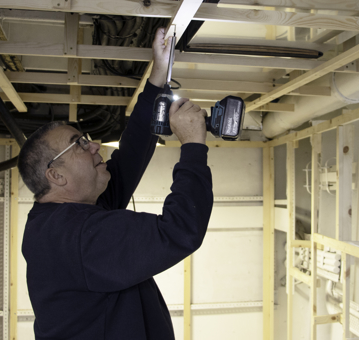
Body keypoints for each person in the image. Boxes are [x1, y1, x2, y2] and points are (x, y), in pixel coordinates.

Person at [17, 28, 213, 340]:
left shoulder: (63, 222)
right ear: (55, 174)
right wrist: (192, 147)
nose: (94, 146)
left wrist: (157, 79)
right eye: (79, 144)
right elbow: (179, 231)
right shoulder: (76, 236)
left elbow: (128, 158)